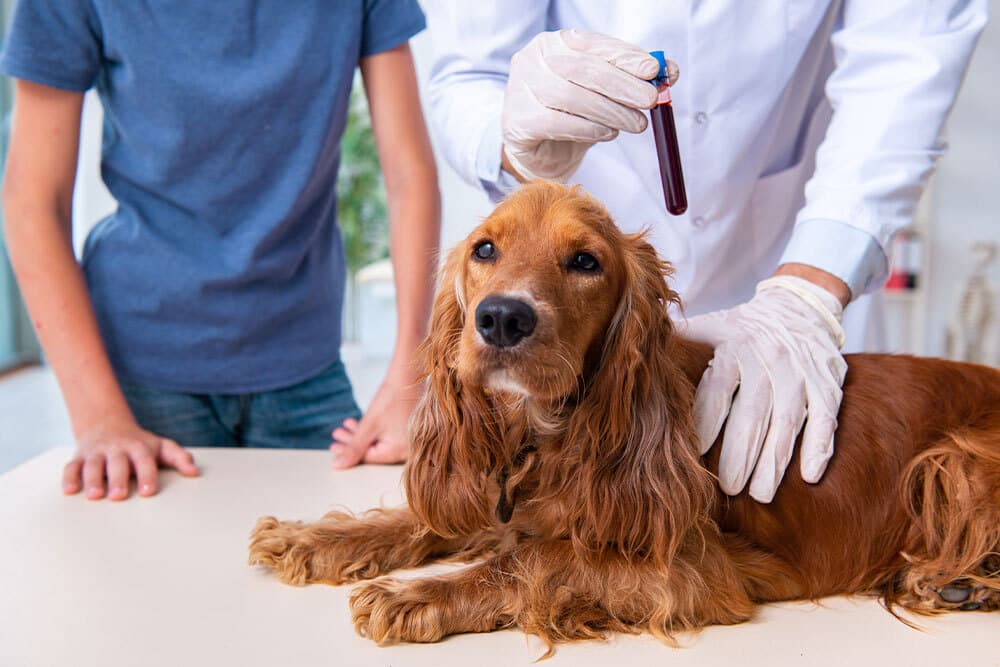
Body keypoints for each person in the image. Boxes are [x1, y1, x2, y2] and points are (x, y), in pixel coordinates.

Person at [422, 2, 987, 502]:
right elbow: (469, 70)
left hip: (791, 258)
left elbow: (907, 56)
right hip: (578, 273)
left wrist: (807, 292)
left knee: (827, 504)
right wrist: (510, 136)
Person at [0, 0, 440, 501]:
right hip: (141, 368)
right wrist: (99, 416)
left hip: (306, 363)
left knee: (345, 559)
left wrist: (412, 377)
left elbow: (409, 177)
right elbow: (33, 201)